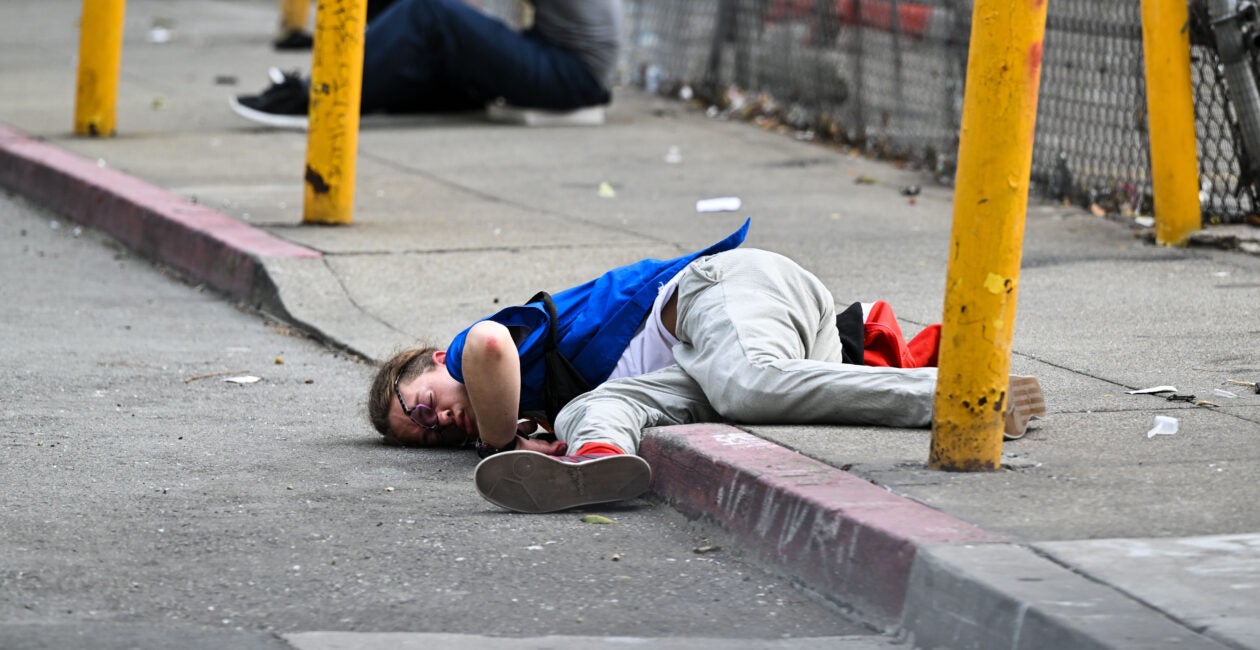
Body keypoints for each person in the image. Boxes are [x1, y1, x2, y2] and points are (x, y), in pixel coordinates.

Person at [366, 220, 1045, 513]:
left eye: (421, 407)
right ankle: (597, 462)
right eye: (430, 438)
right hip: (707, 359)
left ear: (433, 360)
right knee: (592, 411)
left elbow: (490, 350)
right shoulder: (536, 408)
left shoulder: (474, 348)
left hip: (715, 294)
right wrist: (542, 438)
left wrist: (496, 445)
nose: (438, 423)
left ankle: (966, 395)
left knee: (747, 385)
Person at [232, 0, 622, 129]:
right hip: (549, 51)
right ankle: (343, 82)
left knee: (426, 12)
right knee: (430, 18)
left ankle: (320, 96)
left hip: (572, 73)